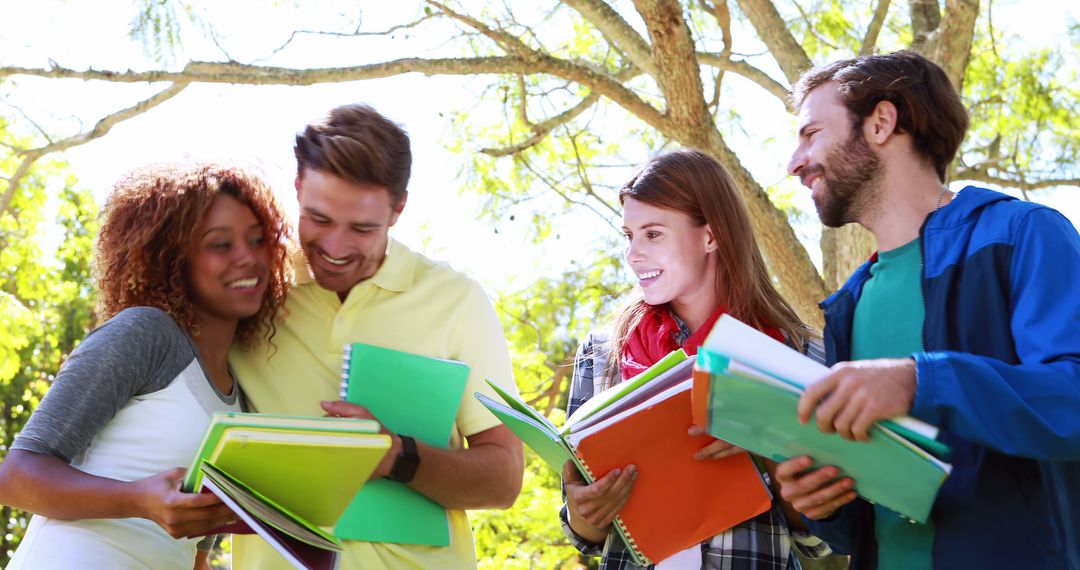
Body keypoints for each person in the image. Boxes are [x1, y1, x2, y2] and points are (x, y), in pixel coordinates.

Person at [775, 50, 1080, 569]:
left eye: (811, 134)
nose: (794, 163)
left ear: (881, 122)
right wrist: (822, 503)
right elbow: (866, 522)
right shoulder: (848, 305)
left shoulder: (1022, 234)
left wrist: (921, 382)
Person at [228, 103, 524, 569]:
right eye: (319, 219)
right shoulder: (249, 288)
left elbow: (504, 479)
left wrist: (396, 456)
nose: (336, 248)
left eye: (362, 228)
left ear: (398, 209)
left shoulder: (455, 300)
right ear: (298, 188)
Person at [0, 162, 291, 569]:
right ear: (173, 257)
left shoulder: (239, 398)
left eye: (258, 240)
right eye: (220, 244)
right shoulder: (145, 334)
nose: (248, 258)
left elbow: (194, 553)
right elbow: (15, 477)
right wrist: (138, 499)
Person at [559, 149, 831, 569]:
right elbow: (585, 535)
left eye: (653, 234)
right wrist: (584, 514)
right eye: (629, 237)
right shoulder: (601, 356)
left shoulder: (798, 355)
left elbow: (826, 539)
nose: (633, 255)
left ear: (710, 235)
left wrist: (770, 448)